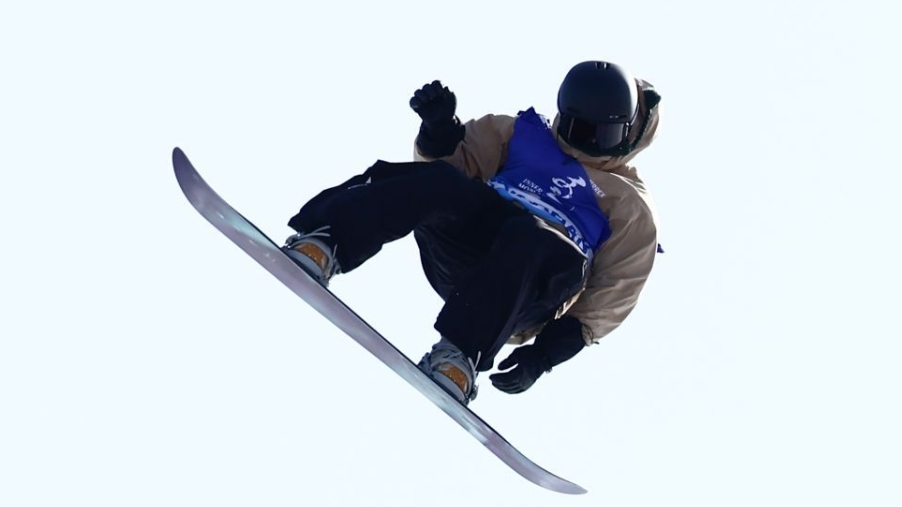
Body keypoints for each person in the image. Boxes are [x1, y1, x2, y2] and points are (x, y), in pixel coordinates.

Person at [282, 61, 662, 405]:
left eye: (603, 135)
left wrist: (544, 355)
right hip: (470, 249)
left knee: (530, 234)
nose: (586, 144)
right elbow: (451, 168)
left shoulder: (629, 205)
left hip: (533, 281)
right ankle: (327, 242)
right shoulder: (517, 134)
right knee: (442, 181)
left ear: (629, 134)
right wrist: (440, 132)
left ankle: (460, 356)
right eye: (577, 129)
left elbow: (610, 296)